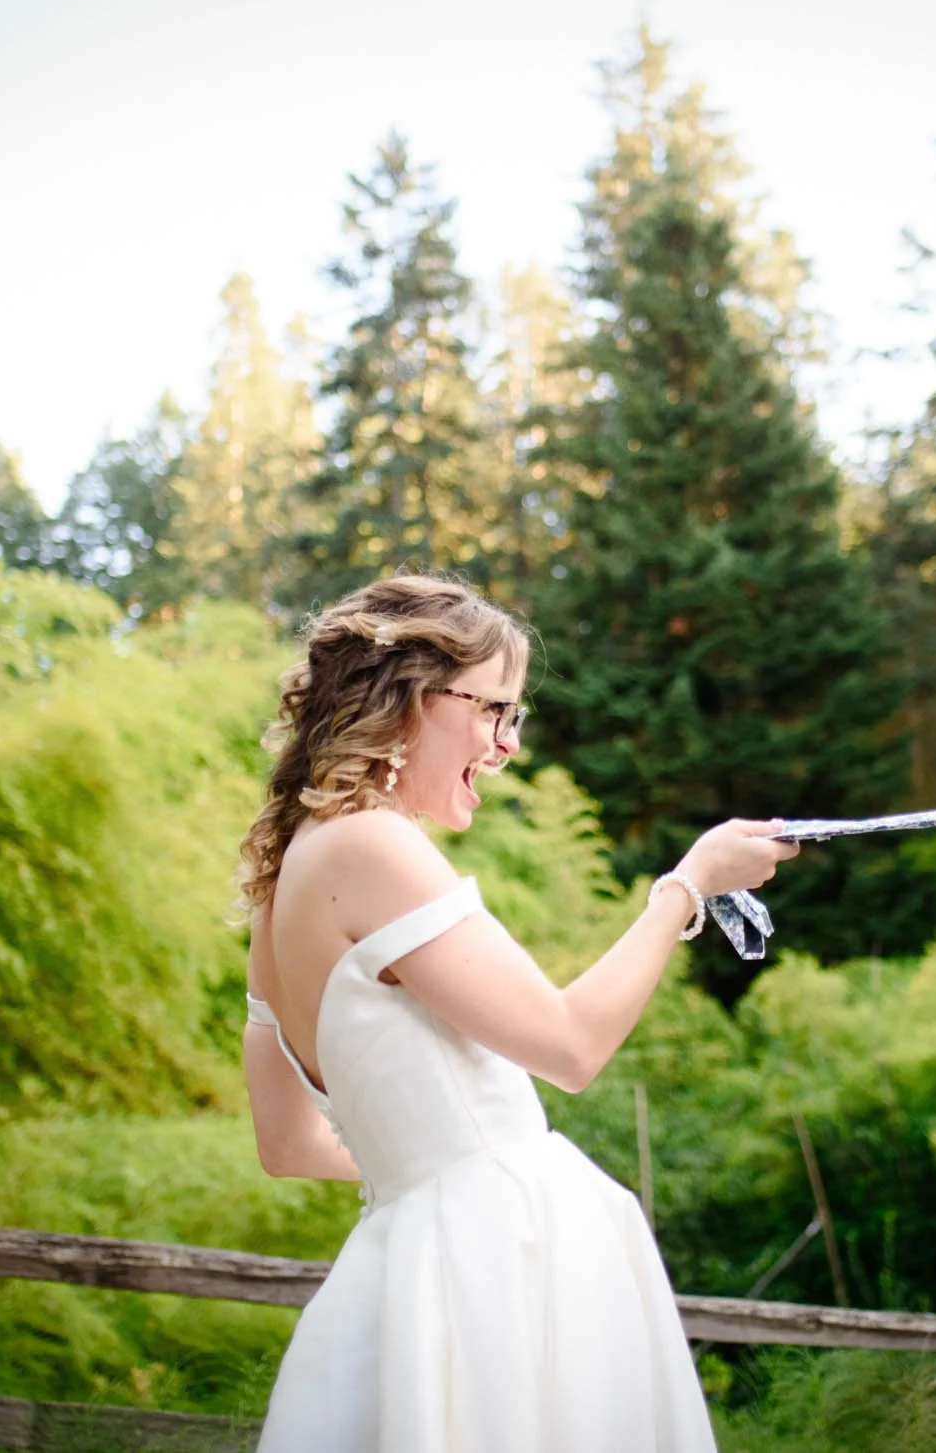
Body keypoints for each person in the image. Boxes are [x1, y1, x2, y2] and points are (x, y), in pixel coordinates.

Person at [239, 573, 796, 1452]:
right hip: (495, 1261)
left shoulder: (280, 893)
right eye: (493, 709)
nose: (506, 744)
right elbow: (570, 1047)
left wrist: (423, 1155)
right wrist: (687, 887)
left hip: (402, 1266)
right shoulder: (375, 842)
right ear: (411, 698)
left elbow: (285, 1144)